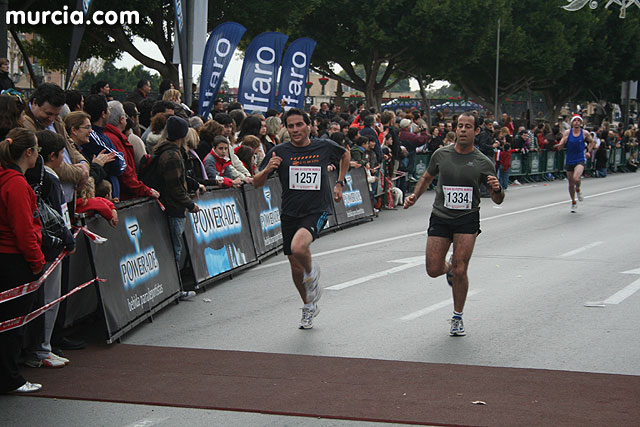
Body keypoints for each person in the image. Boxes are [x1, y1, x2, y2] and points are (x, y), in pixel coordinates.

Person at [403, 113, 504, 336]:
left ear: (477, 131)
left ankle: (457, 317)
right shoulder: (441, 154)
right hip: (441, 216)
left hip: (467, 218)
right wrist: (414, 197)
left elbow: (498, 199)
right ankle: (447, 269)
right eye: (460, 126)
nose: (463, 130)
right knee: (433, 269)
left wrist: (497, 189)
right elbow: (427, 178)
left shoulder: (482, 162)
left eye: (468, 127)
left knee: (461, 269)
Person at [252, 108, 350, 329]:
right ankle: (308, 306)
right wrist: (267, 169)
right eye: (291, 126)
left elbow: (345, 154)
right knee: (294, 266)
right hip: (290, 212)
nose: (295, 129)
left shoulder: (323, 146)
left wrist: (339, 182)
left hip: (317, 209)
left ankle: (312, 273)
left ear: (309, 125)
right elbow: (256, 183)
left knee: (298, 248)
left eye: (299, 125)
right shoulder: (279, 151)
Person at [23, 131, 76, 369]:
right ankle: (42, 349)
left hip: (42, 245)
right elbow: (57, 215)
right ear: (53, 155)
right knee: (48, 301)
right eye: (63, 154)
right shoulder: (49, 179)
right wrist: (67, 239)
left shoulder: (31, 176)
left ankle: (39, 348)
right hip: (50, 248)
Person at [0, 128, 46, 393]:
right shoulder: (16, 184)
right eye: (36, 149)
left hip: (8, 257)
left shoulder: (8, 179)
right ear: (28, 152)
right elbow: (24, 230)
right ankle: (10, 378)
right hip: (15, 261)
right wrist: (37, 262)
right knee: (12, 324)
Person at [154, 116, 204, 299]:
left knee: (174, 247)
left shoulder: (166, 151)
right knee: (174, 249)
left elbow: (179, 181)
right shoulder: (172, 155)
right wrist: (190, 204)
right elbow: (175, 186)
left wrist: (192, 185)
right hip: (174, 208)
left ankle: (174, 288)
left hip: (171, 206)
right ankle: (175, 289)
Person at [554, 114, 595, 212]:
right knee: (571, 183)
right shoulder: (568, 132)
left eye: (578, 120)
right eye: (575, 120)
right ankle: (573, 201)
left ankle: (579, 189)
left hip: (580, 159)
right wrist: (561, 144)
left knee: (576, 178)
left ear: (581, 123)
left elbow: (592, 142)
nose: (576, 122)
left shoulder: (584, 133)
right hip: (569, 159)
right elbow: (561, 143)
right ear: (572, 123)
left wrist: (588, 151)